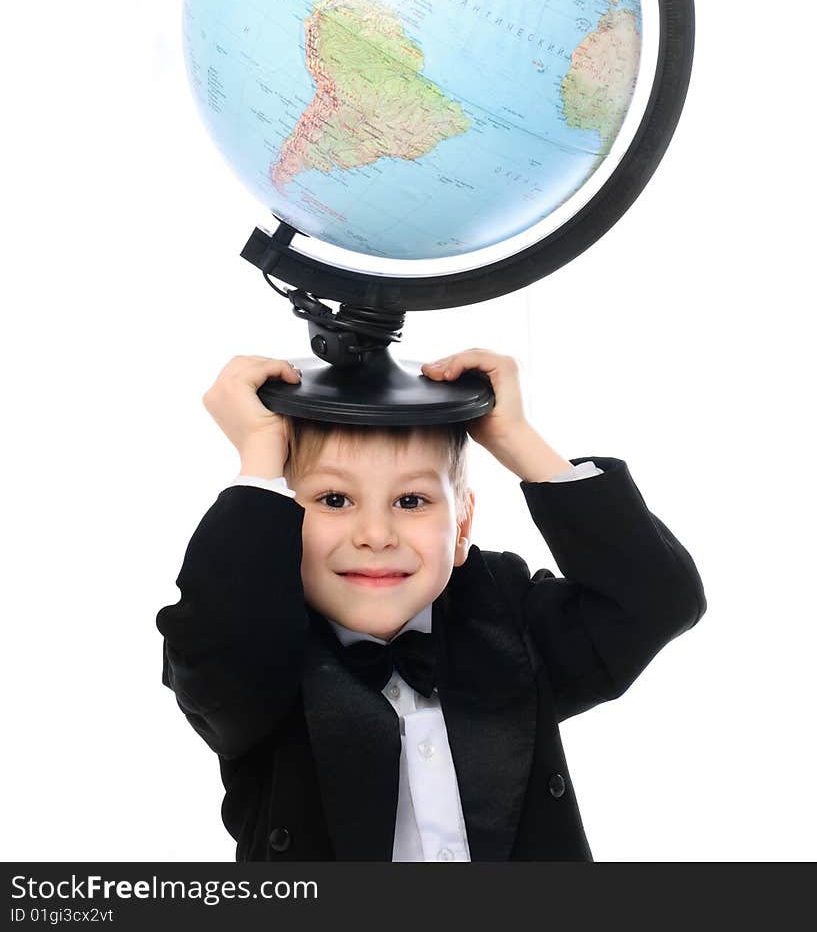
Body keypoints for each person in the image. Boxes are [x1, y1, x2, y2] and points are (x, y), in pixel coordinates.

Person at [156, 349, 707, 862]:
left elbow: (656, 599)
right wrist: (258, 464)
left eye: (411, 500)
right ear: (279, 522)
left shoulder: (505, 614)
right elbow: (218, 644)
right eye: (333, 499)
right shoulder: (255, 656)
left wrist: (515, 437)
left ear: (462, 524)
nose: (376, 534)